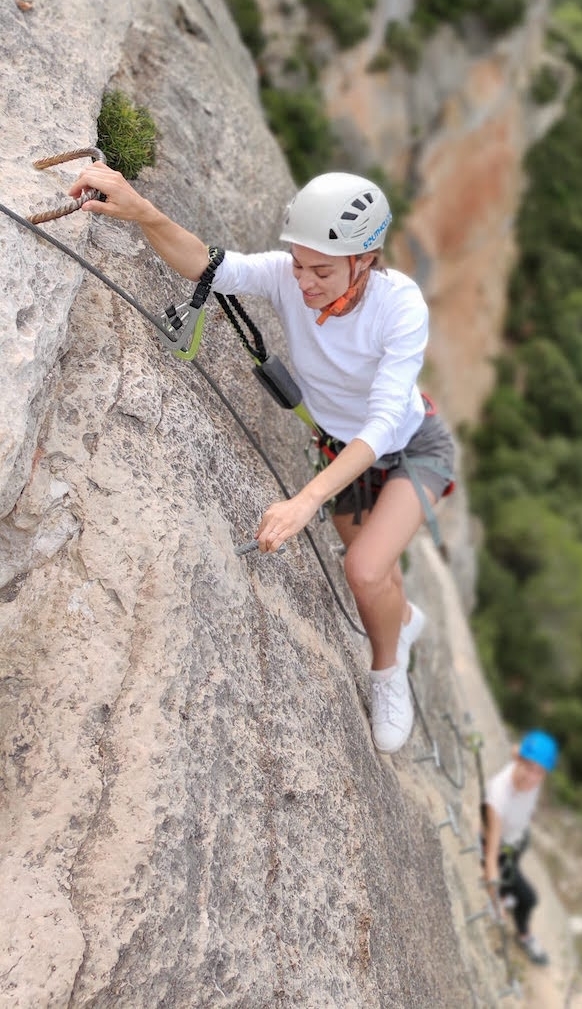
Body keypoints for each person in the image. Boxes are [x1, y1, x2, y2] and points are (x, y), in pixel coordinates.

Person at [67, 165, 456, 756]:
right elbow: (209, 265)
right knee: (376, 567)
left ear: (365, 260)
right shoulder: (285, 277)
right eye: (298, 264)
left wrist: (306, 500)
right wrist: (143, 210)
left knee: (364, 570)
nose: (303, 282)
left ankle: (387, 669)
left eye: (321, 270)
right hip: (342, 448)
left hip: (410, 448)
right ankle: (399, 621)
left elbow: (380, 424)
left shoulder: (399, 307)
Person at [481, 729, 559, 967]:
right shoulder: (498, 797)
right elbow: (492, 854)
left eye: (539, 772)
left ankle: (506, 894)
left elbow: (517, 749)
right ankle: (524, 934)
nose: (531, 778)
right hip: (502, 847)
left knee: (519, 854)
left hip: (517, 838)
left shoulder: (527, 765)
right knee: (529, 898)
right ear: (519, 762)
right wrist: (493, 898)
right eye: (528, 767)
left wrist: (522, 753)